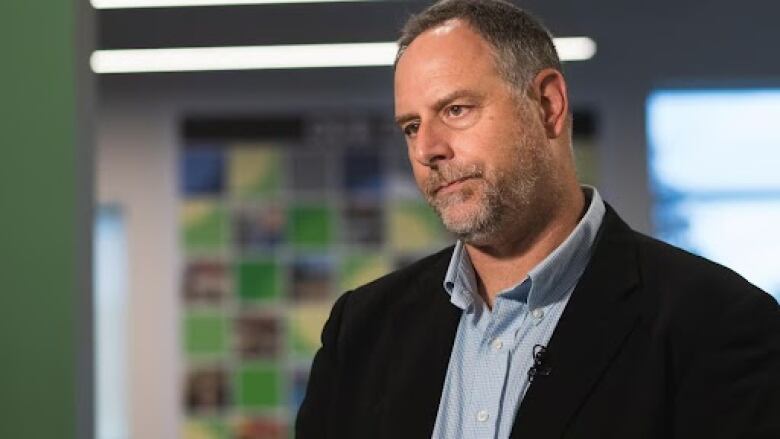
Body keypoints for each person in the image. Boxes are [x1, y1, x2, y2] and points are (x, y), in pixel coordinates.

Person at [295, 0, 780, 437]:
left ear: (548, 105)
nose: (427, 150)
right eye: (412, 126)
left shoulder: (718, 323)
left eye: (456, 109)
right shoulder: (360, 331)